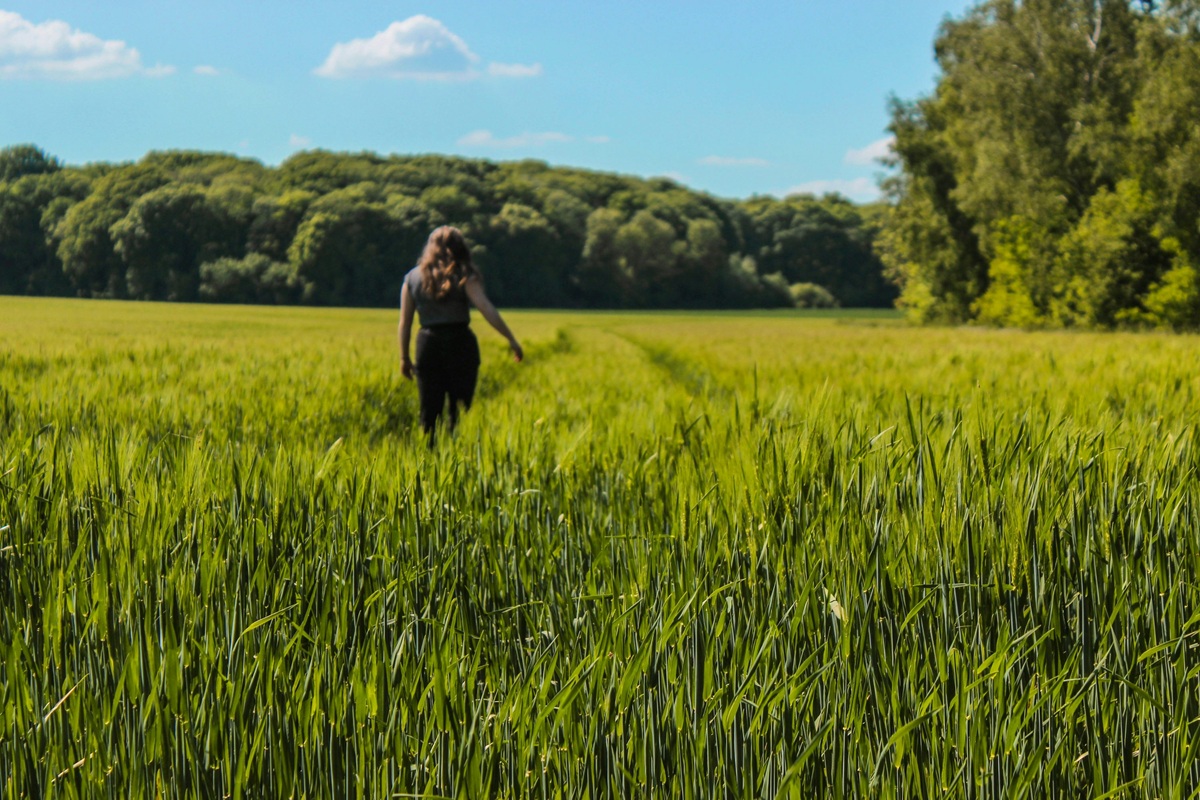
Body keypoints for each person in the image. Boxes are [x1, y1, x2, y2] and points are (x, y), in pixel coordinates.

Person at [398, 226, 523, 440]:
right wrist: (511, 338)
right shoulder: (465, 275)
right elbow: (486, 308)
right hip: (460, 345)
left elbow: (405, 322)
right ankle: (458, 458)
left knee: (429, 412)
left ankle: (429, 462)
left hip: (427, 346)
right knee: (460, 412)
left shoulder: (412, 278)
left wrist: (404, 357)